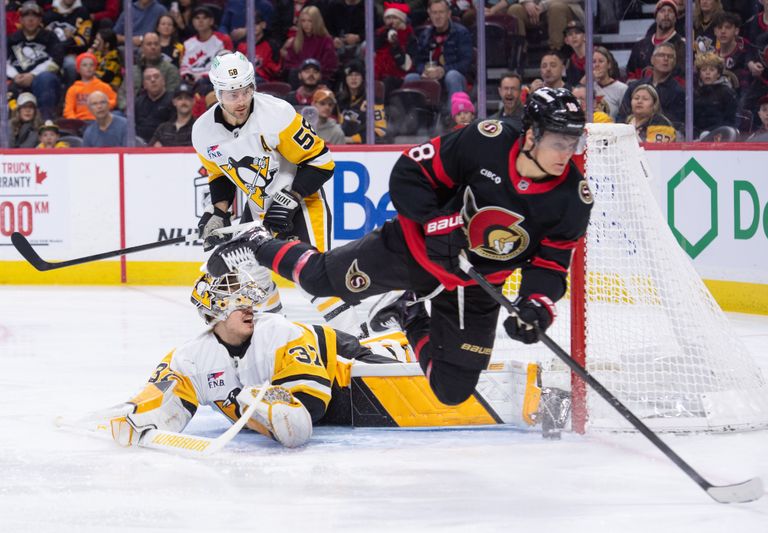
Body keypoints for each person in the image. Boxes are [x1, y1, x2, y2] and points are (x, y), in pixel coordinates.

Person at [205, 87, 592, 407]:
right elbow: (411, 171)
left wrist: (536, 305)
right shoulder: (485, 141)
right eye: (558, 142)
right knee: (320, 279)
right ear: (531, 136)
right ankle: (257, 241)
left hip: (476, 284)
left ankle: (407, 312)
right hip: (412, 251)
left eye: (572, 142)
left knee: (452, 391)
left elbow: (552, 264)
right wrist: (433, 222)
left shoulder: (573, 198)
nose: (566, 153)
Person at [108, 268, 399, 450]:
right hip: (333, 407)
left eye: (248, 301)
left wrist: (262, 403)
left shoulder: (279, 332)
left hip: (343, 366)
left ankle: (402, 320)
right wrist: (138, 417)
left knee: (412, 375)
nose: (248, 309)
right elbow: (161, 402)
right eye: (237, 304)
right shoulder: (191, 358)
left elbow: (307, 412)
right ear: (213, 313)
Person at [191, 52, 368, 337]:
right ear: (217, 92)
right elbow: (219, 174)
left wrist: (291, 198)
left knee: (315, 281)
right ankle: (277, 339)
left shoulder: (277, 114)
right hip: (258, 211)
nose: (240, 100)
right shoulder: (203, 131)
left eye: (246, 90)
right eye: (232, 93)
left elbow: (322, 162)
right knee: (255, 280)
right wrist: (218, 213)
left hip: (303, 204)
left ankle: (360, 346)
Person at [406, 0, 473, 109]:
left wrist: (443, 70)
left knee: (452, 76)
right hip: (430, 76)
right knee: (410, 78)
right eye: (434, 13)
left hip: (456, 76)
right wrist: (424, 71)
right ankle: (414, 118)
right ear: (429, 14)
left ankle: (453, 117)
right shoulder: (425, 35)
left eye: (441, 12)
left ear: (449, 13)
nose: (438, 16)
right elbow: (417, 61)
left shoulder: (461, 33)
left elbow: (465, 63)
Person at [6, 2, 64, 120]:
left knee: (46, 78)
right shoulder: (12, 38)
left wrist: (33, 75)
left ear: (40, 20)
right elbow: (3, 62)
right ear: (21, 20)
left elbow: (56, 61)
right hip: (16, 79)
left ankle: (46, 122)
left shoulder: (50, 37)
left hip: (42, 81)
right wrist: (15, 76)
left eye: (34, 17)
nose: (30, 20)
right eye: (26, 17)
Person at [616, 43, 686, 126]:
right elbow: (622, 116)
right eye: (661, 55)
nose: (666, 59)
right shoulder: (635, 87)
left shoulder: (679, 92)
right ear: (652, 59)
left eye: (670, 56)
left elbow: (677, 123)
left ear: (674, 62)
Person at [626, 0, 686, 81]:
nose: (666, 14)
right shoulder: (640, 46)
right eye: (662, 11)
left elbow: (682, 80)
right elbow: (631, 76)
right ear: (656, 17)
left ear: (675, 18)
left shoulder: (682, 46)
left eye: (670, 11)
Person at [281, 5, 339, 84]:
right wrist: (304, 72)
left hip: (319, 79)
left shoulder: (326, 41)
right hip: (300, 78)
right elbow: (290, 63)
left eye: (310, 21)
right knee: (293, 73)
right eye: (303, 21)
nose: (306, 24)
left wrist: (312, 72)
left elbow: (329, 66)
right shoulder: (296, 40)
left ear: (317, 22)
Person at [180, 5, 233, 87]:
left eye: (204, 18)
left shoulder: (223, 40)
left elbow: (227, 66)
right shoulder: (187, 43)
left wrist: (204, 77)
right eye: (197, 18)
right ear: (193, 22)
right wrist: (187, 76)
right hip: (191, 83)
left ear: (211, 21)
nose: (200, 21)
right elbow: (184, 66)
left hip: (214, 83)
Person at [337, 60, 388, 143]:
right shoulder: (340, 101)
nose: (353, 78)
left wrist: (352, 140)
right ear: (345, 79)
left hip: (365, 146)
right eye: (350, 75)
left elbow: (381, 130)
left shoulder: (372, 99)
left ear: (363, 78)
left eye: (357, 75)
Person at [375, 2, 417, 96]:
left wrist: (395, 46)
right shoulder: (381, 34)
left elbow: (406, 66)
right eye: (388, 18)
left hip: (400, 76)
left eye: (394, 18)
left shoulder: (410, 37)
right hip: (380, 74)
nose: (391, 21)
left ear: (401, 20)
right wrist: (383, 36)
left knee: (387, 81)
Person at [693, 52, 737, 137]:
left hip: (720, 136)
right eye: (704, 70)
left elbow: (730, 121)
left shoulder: (727, 92)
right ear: (699, 74)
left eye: (712, 70)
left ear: (718, 74)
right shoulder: (696, 93)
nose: (707, 73)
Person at [63, 51, 117, 120]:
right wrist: (75, 122)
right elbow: (68, 110)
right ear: (78, 69)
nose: (88, 67)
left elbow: (113, 99)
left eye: (91, 65)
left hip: (100, 121)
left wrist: (104, 106)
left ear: (95, 68)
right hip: (81, 123)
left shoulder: (103, 86)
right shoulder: (73, 89)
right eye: (84, 65)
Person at [235, 12, 281, 82]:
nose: (253, 27)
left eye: (256, 24)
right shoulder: (241, 44)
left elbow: (276, 69)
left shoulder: (272, 45)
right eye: (250, 24)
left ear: (263, 25)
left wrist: (257, 72)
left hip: (264, 81)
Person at [135, 67, 175, 143]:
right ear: (144, 85)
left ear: (163, 81)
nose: (153, 80)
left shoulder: (173, 100)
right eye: (148, 78)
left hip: (165, 144)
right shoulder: (138, 102)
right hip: (140, 145)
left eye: (156, 77)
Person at [150, 82, 196, 147]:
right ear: (174, 102)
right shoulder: (163, 128)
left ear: (193, 101)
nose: (184, 102)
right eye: (180, 98)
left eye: (187, 98)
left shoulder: (198, 127)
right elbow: (149, 151)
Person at [592, 46, 628, 121]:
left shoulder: (622, 88)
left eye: (601, 61)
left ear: (609, 65)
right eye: (594, 62)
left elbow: (625, 116)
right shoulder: (588, 87)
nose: (597, 65)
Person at [563, 20, 586, 87]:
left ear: (585, 37)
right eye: (570, 34)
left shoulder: (598, 55)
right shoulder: (570, 63)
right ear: (566, 40)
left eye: (577, 33)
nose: (574, 36)